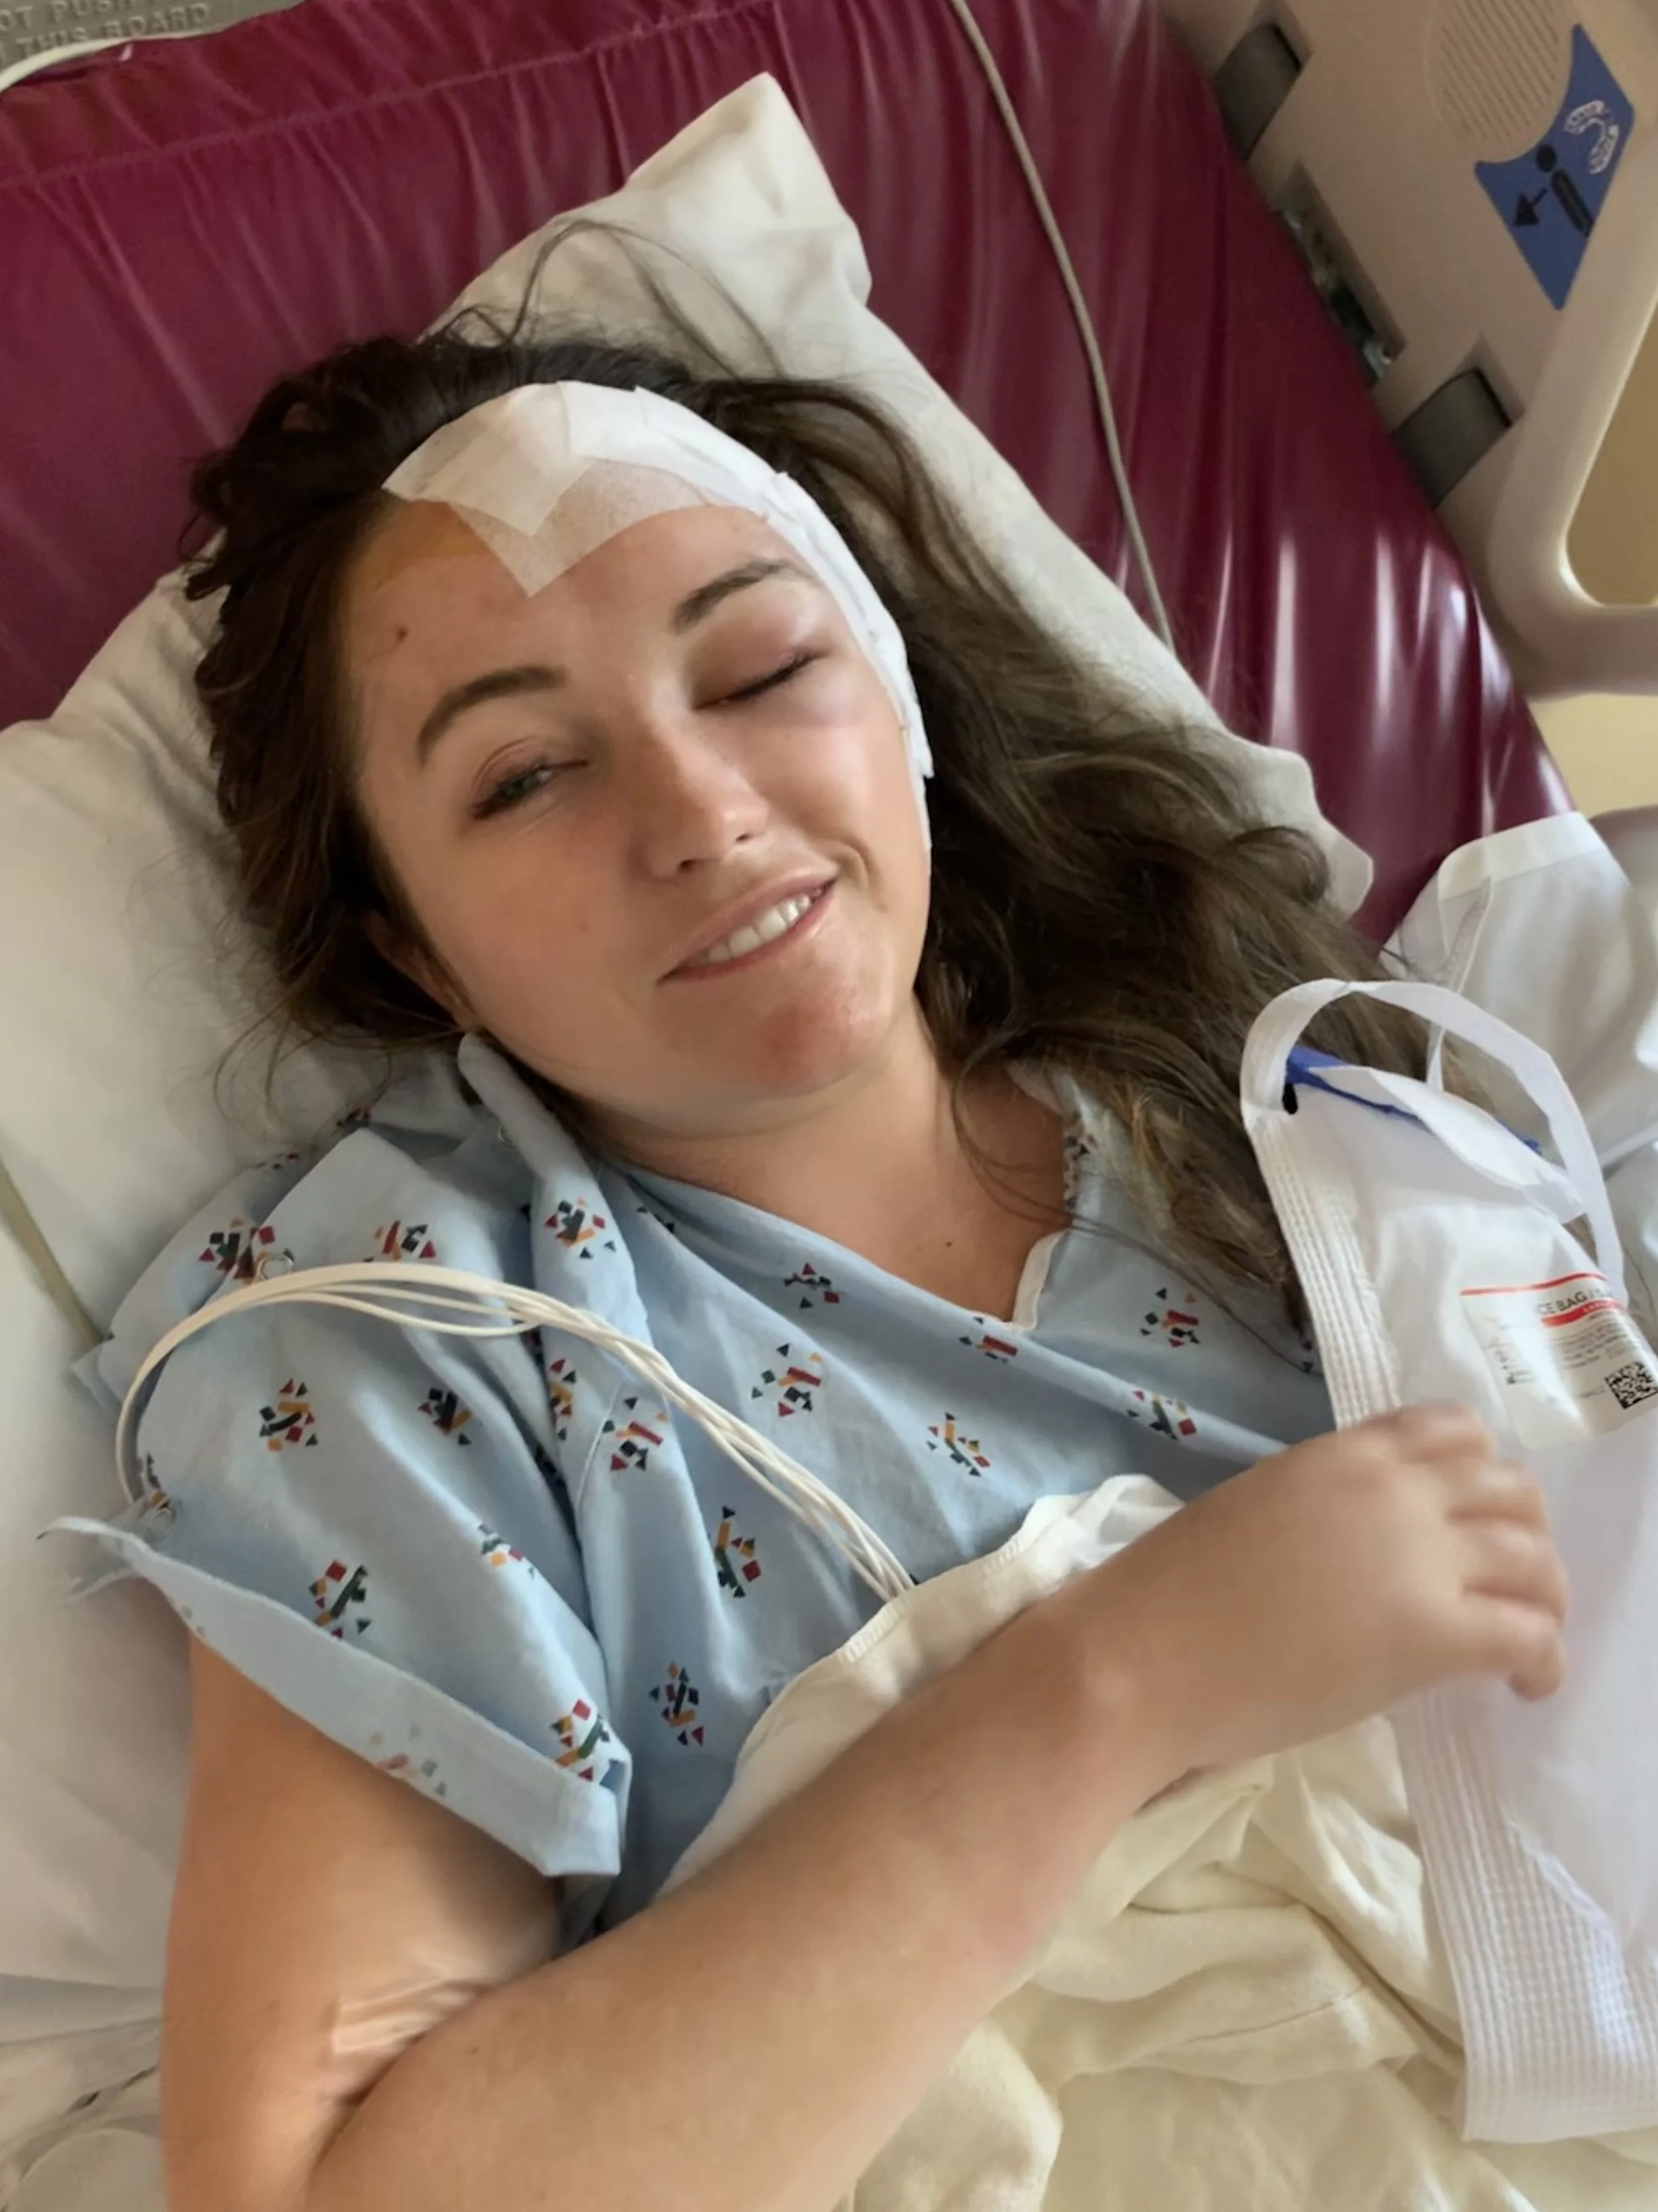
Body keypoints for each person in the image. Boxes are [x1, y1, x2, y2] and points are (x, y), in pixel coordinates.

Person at [77, 317, 1567, 2212]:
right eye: (525, 775)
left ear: (899, 700)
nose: (703, 813)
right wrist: (1115, 1682)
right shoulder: (409, 1339)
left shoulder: (1258, 1075)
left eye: (766, 669)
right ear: (413, 952)